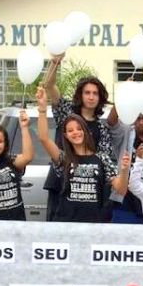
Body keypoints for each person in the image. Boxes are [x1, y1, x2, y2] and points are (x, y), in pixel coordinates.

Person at [35, 88, 124, 224]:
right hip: (66, 224)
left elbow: (121, 189)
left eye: (79, 128)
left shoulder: (102, 158)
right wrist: (42, 110)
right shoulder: (63, 158)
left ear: (86, 131)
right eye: (70, 130)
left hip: (94, 225)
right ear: (66, 136)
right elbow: (43, 138)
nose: (75, 132)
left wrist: (125, 169)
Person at [41, 57, 115, 219]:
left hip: (89, 193)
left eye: (95, 93)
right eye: (87, 92)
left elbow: (105, 162)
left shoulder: (102, 128)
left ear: (100, 97)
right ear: (80, 95)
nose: (91, 97)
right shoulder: (66, 111)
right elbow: (50, 86)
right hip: (61, 184)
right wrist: (54, 63)